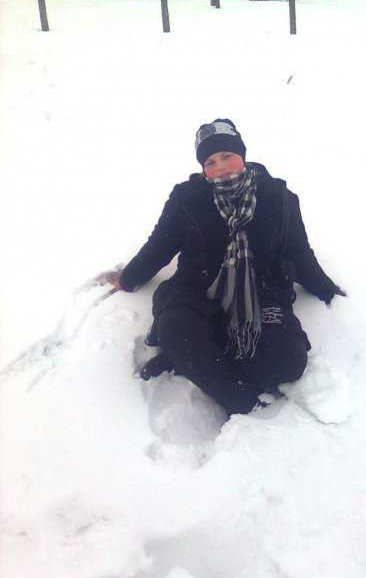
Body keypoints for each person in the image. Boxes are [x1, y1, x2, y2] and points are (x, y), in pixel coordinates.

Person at [112, 119, 345, 416]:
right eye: (210, 162)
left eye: (227, 156)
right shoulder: (187, 198)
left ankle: (191, 360)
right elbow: (159, 246)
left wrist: (325, 288)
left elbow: (298, 251)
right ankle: (243, 402)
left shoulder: (279, 198)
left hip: (259, 295)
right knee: (174, 328)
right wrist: (128, 279)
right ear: (202, 168)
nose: (220, 167)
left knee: (288, 361)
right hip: (196, 291)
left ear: (242, 155)